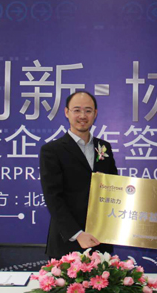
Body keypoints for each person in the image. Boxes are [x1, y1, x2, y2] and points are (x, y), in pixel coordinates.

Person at [40, 91, 118, 259]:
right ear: (66, 112)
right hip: (67, 243)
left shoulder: (104, 147)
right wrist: (77, 233)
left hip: (100, 240)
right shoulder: (52, 150)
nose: (83, 116)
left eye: (88, 111)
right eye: (77, 110)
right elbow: (53, 198)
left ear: (95, 114)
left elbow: (115, 189)